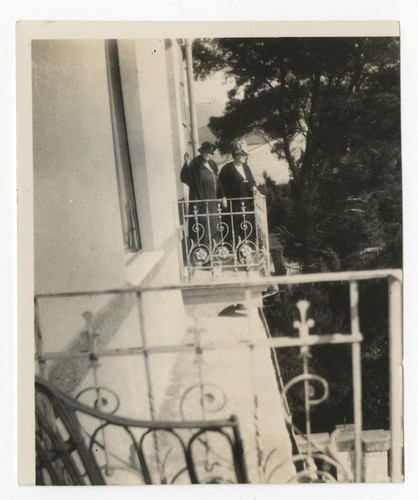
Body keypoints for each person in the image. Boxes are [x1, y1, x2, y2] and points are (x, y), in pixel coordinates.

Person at [180, 142, 226, 264]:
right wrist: (186, 164)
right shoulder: (195, 165)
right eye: (205, 152)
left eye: (210, 153)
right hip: (201, 203)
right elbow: (185, 178)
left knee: (213, 229)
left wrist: (222, 197)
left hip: (212, 204)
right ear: (201, 152)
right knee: (203, 231)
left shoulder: (212, 164)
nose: (208, 155)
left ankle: (214, 257)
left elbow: (218, 183)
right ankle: (203, 259)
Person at [219, 140, 259, 245]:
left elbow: (252, 181)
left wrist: (254, 187)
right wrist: (223, 198)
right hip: (235, 205)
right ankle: (238, 251)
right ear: (235, 154)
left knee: (248, 227)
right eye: (242, 154)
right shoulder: (227, 168)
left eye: (245, 154)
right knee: (236, 228)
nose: (245, 156)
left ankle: (248, 250)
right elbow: (220, 186)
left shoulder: (246, 167)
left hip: (248, 203)